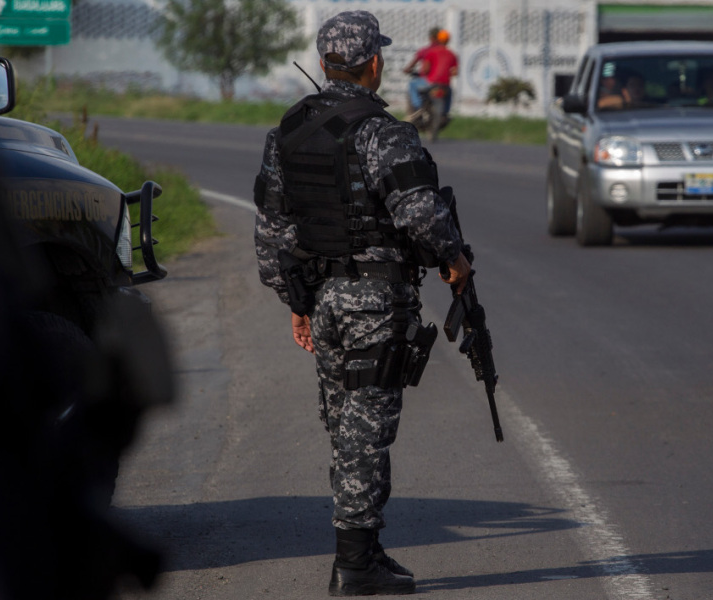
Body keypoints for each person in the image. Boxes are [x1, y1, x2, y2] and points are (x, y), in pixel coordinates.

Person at [253, 9, 471, 597]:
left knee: (344, 424)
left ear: (326, 65)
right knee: (363, 430)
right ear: (374, 62)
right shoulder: (384, 132)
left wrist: (293, 300)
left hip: (321, 297)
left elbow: (273, 228)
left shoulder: (288, 130)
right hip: (373, 301)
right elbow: (420, 213)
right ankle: (354, 565)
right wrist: (454, 257)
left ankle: (364, 550)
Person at [403, 28, 458, 117]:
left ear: (431, 38)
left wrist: (408, 70)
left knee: (412, 84)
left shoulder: (429, 51)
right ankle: (446, 113)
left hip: (430, 81)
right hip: (444, 84)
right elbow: (455, 72)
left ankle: (418, 107)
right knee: (450, 91)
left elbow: (425, 69)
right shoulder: (452, 54)